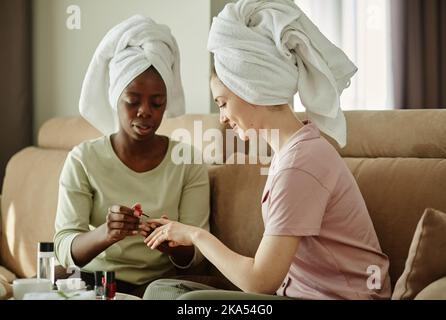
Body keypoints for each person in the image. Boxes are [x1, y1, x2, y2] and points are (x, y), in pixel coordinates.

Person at [142, 0, 391, 300]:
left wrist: (195, 234)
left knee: (188, 302)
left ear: (251, 88)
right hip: (299, 294)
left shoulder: (300, 163)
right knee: (163, 291)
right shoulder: (293, 151)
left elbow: (260, 281)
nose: (221, 117)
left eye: (223, 103)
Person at [53, 15, 209, 298]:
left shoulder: (188, 162)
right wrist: (106, 233)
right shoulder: (83, 159)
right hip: (94, 285)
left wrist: (169, 242)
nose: (145, 111)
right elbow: (64, 247)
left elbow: (197, 254)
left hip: (158, 290)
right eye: (133, 100)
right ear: (115, 97)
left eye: (157, 102)